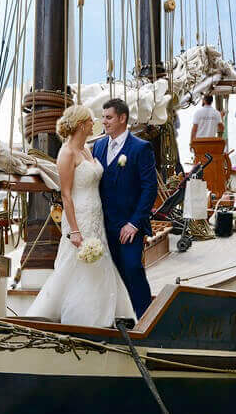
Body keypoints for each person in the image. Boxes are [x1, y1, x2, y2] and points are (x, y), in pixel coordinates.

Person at [27, 105, 136, 327]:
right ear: (80, 125)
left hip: (95, 214)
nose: (93, 123)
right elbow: (66, 195)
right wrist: (74, 230)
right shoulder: (66, 154)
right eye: (89, 121)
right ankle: (82, 318)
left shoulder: (86, 149)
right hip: (79, 216)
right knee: (77, 264)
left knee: (100, 262)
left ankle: (106, 313)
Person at [93, 98, 158, 318]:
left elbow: (150, 188)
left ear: (122, 118)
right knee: (110, 273)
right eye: (103, 117)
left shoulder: (141, 148)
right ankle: (117, 317)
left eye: (109, 117)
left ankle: (144, 316)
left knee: (132, 268)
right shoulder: (98, 146)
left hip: (129, 225)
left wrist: (133, 223)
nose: (104, 122)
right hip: (103, 225)